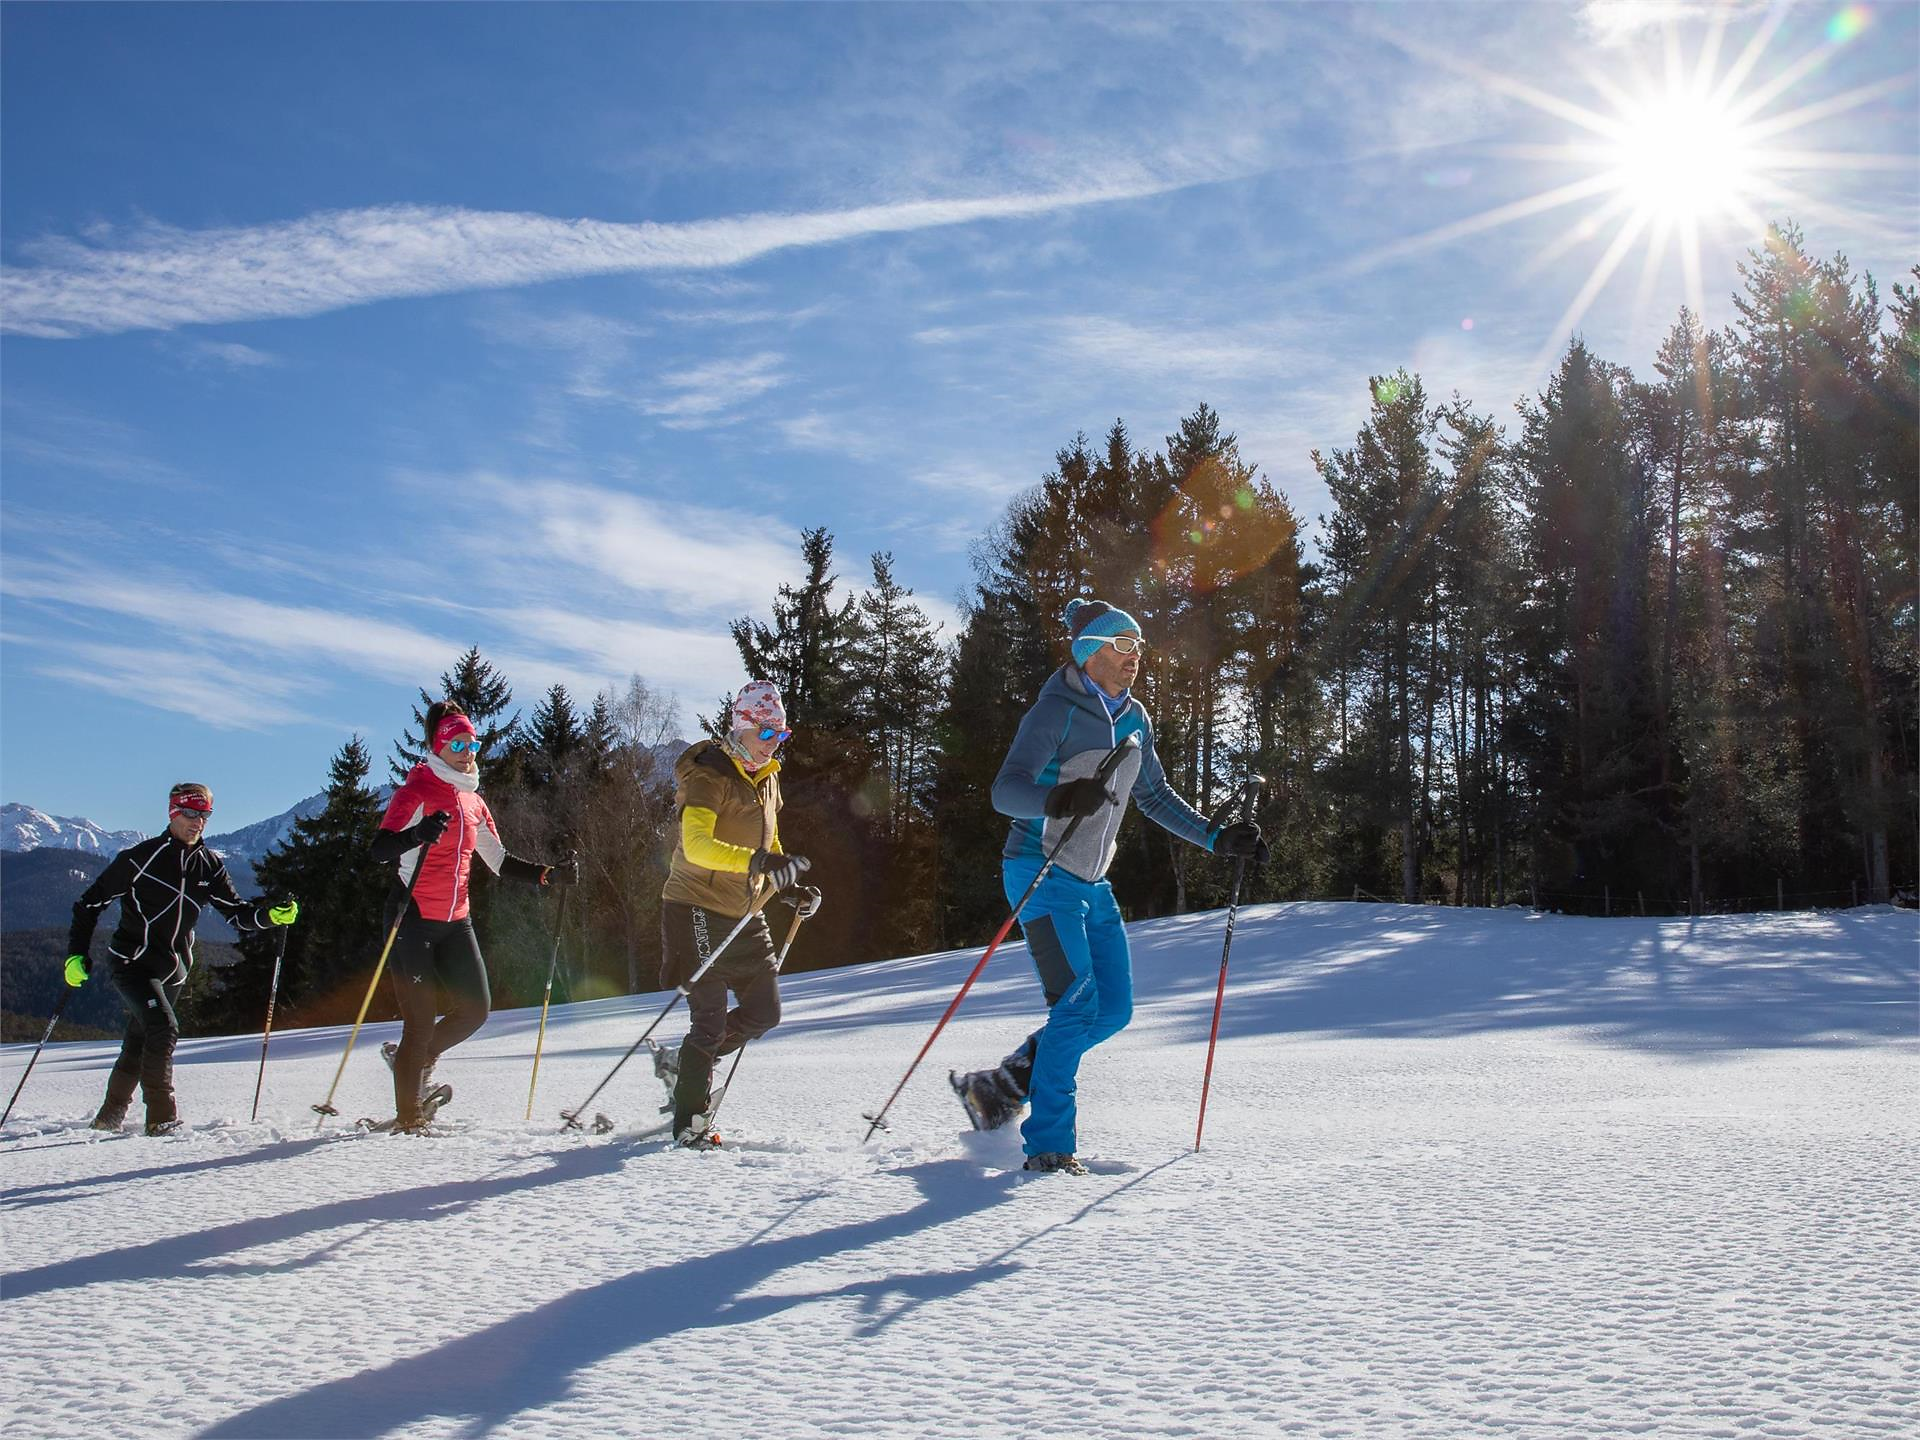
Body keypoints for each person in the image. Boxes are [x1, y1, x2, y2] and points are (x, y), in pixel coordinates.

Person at [951, 598, 1264, 1174]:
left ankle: (997, 1089)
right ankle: (1049, 1146)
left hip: (1093, 880)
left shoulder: (1136, 718)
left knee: (1113, 1010)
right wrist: (1056, 798)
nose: (1134, 656)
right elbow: (1005, 791)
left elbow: (1154, 795)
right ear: (1088, 651)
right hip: (1040, 870)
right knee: (1075, 1006)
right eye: (1122, 645)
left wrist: (1217, 838)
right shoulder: (1056, 712)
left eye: (1138, 646)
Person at [371, 700, 578, 1131]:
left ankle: (416, 1060)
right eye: (458, 745)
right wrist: (418, 833)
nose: (467, 753)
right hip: (412, 916)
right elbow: (380, 850)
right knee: (420, 1022)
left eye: (472, 744)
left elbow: (499, 861)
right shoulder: (415, 792)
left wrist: (548, 875)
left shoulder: (473, 802)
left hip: (456, 920)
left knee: (476, 1009)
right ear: (438, 747)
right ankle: (409, 1119)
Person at [66, 783, 299, 1135]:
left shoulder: (209, 865)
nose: (198, 822)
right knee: (163, 1027)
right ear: (173, 812)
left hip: (174, 970)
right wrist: (76, 955)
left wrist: (269, 916)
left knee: (140, 1039)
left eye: (204, 815)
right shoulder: (139, 859)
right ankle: (162, 1119)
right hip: (133, 962)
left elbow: (236, 913)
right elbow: (88, 905)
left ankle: (109, 1117)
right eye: (190, 813)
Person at [654, 680, 811, 1149]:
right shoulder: (709, 775)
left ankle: (686, 1065)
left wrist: (787, 885)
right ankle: (689, 1123)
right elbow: (697, 847)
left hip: (744, 910)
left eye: (781, 734)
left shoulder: (768, 777)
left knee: (764, 1013)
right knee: (709, 1019)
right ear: (741, 726)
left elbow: (769, 839)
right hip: (694, 907)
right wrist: (760, 863)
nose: (773, 743)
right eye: (766, 732)